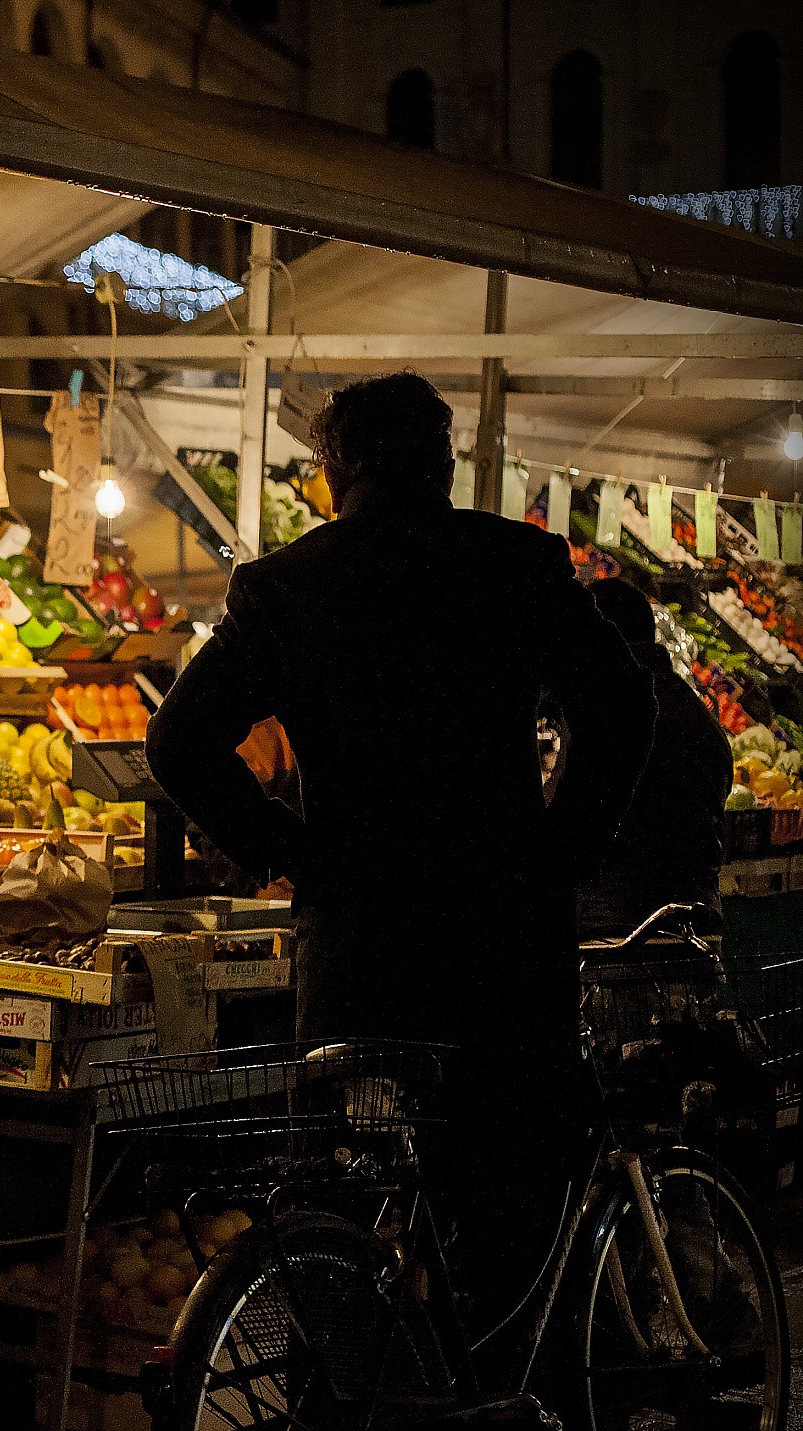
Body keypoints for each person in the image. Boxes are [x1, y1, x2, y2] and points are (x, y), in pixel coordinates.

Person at [145, 372, 655, 1331]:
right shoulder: (515, 565)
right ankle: (507, 1424)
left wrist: (286, 851)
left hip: (362, 949)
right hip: (503, 943)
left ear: (334, 475)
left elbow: (176, 742)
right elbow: (625, 701)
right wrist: (564, 846)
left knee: (337, 1209)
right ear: (446, 462)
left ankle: (338, 1429)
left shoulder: (289, 587)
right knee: (511, 1207)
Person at [575, 577, 731, 937]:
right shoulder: (698, 715)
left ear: (601, 636)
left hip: (612, 933)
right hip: (696, 927)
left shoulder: (602, 707)